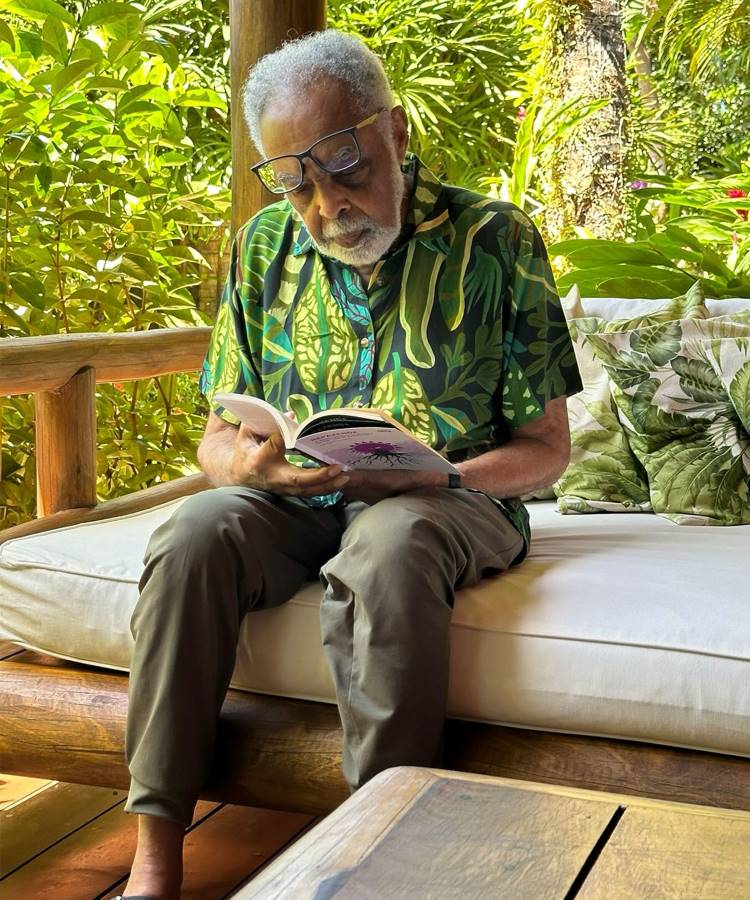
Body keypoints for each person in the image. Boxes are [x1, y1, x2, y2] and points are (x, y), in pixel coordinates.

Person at [118, 29, 582, 900]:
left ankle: (377, 868)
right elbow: (217, 435)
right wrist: (247, 468)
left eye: (346, 166)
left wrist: (432, 474)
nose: (328, 205)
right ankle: (153, 860)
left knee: (388, 545)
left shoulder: (496, 240)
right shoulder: (263, 248)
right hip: (300, 496)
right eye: (295, 182)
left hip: (446, 497)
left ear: (395, 134)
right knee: (191, 532)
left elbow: (544, 454)